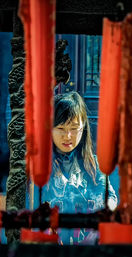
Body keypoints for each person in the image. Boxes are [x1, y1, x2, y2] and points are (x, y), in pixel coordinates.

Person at [43, 91, 117, 244]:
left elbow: (109, 197)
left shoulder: (94, 165)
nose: (68, 136)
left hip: (88, 244)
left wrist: (100, 221)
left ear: (83, 128)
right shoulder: (40, 167)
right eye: (61, 128)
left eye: (74, 128)